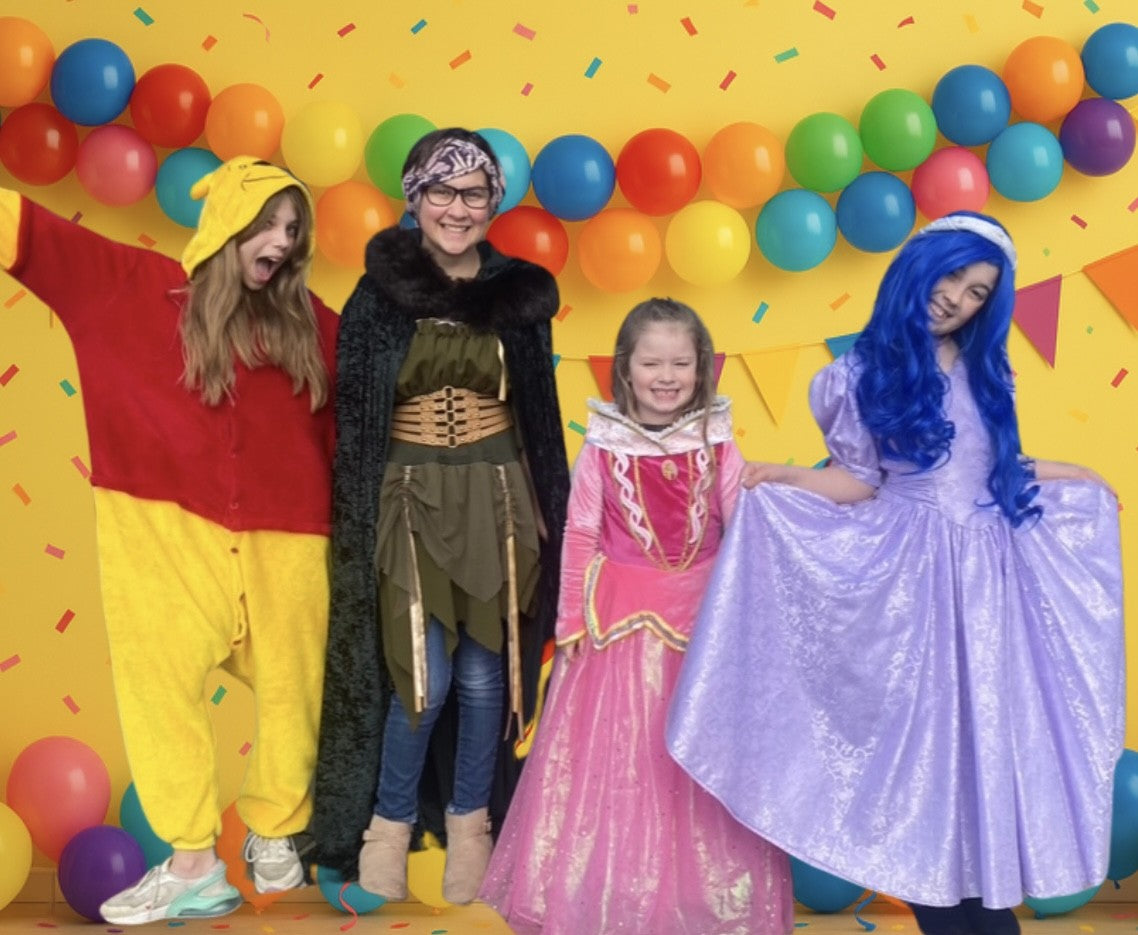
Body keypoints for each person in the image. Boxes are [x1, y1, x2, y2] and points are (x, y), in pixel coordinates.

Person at [666, 213, 1124, 935]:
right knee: (929, 772)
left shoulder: (984, 368)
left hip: (988, 587)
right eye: (952, 276)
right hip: (912, 586)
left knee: (983, 768)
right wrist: (784, 476)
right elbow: (861, 481)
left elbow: (992, 465)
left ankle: (983, 909)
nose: (957, 299)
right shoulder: (853, 377)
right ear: (921, 266)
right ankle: (945, 905)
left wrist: (1082, 474)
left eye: (978, 293)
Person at [1, 157, 339, 924]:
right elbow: (28, 232)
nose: (283, 241)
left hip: (290, 537)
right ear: (225, 219)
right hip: (159, 532)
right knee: (157, 689)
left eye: (294, 229)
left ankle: (278, 824)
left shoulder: (315, 325)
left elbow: (382, 400)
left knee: (304, 679)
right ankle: (192, 863)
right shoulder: (125, 284)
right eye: (268, 222)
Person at [306, 128, 570, 905]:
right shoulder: (376, 297)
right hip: (408, 497)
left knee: (490, 677)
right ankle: (385, 826)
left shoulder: (518, 296)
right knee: (421, 674)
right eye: (441, 191)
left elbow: (540, 420)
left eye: (475, 192)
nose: (458, 208)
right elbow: (354, 422)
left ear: (495, 202)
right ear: (414, 198)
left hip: (497, 498)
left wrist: (552, 509)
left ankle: (472, 827)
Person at [480, 298, 794, 934]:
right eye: (652, 362)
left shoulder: (718, 439)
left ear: (702, 368)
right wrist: (568, 622)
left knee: (693, 768)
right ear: (625, 369)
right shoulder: (603, 444)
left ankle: (702, 907)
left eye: (681, 362)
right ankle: (613, 904)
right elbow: (582, 532)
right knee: (625, 769)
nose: (667, 375)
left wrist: (754, 624)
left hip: (702, 629)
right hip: (618, 627)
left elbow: (742, 532)